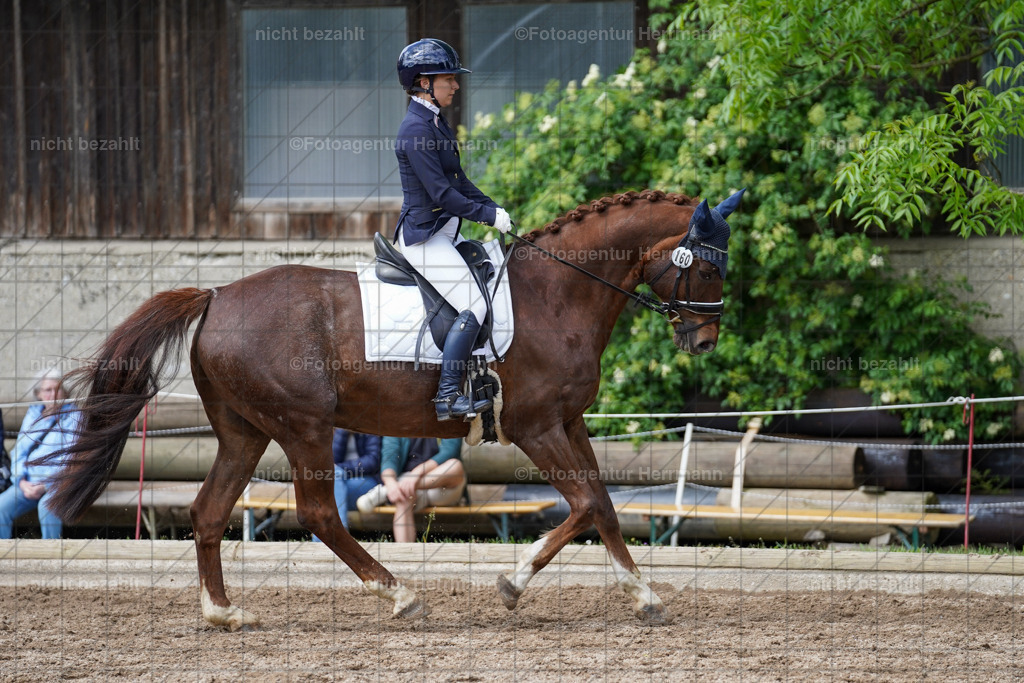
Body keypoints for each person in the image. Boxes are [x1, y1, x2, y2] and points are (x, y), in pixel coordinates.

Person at [394, 38, 513, 421]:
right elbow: (442, 194)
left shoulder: (435, 123)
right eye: (449, 79)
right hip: (424, 237)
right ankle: (447, 396)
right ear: (423, 82)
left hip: (446, 232)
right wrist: (485, 216)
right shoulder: (415, 129)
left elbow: (460, 181)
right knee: (474, 304)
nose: (456, 86)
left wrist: (493, 207)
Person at [0, 367, 79, 539]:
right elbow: (19, 452)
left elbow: (72, 459)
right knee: (1, 508)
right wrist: (20, 481)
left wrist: (45, 484)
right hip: (28, 484)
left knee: (47, 506)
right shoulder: (33, 415)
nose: (53, 394)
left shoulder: (75, 417)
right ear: (39, 394)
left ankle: (51, 558)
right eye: (48, 390)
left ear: (65, 392)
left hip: (59, 484)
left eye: (57, 389)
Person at [356, 436, 466, 543]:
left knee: (455, 466)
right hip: (410, 488)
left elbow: (450, 452)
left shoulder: (447, 418)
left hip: (442, 487)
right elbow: (389, 457)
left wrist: (416, 473)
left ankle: (384, 492)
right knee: (404, 497)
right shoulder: (396, 422)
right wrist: (390, 483)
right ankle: (405, 554)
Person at [313, 428, 381, 539]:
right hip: (340, 483)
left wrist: (342, 469)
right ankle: (332, 538)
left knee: (329, 489)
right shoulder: (335, 430)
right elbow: (332, 460)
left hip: (368, 481)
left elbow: (372, 462)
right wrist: (342, 432)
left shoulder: (369, 428)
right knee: (329, 492)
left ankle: (336, 536)